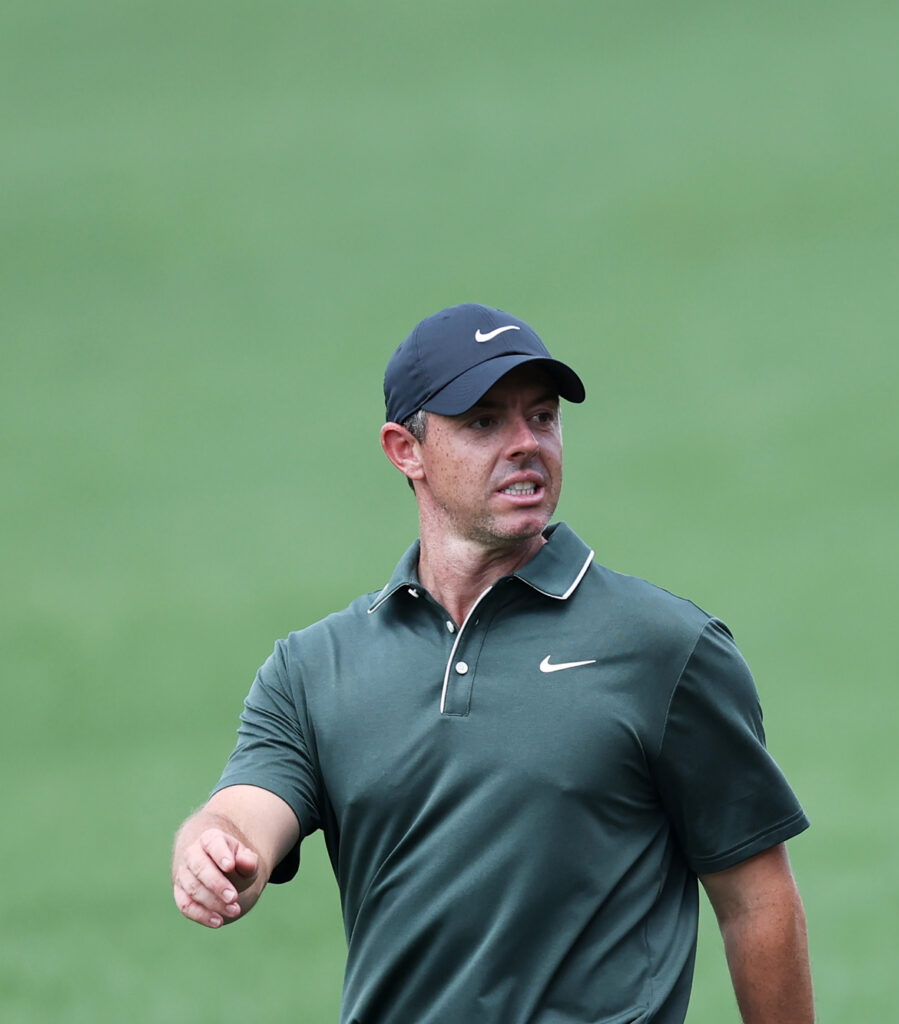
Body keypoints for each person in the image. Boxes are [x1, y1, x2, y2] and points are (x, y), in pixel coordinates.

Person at [170, 303, 814, 1024]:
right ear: (405, 450)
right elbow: (242, 817)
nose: (526, 443)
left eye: (542, 417)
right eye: (483, 422)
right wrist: (210, 850)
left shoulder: (666, 648)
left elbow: (757, 902)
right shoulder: (314, 669)